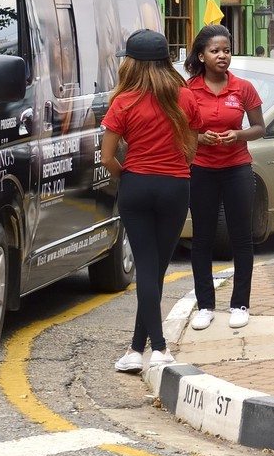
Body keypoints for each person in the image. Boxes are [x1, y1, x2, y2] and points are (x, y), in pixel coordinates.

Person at [99, 28, 197, 374]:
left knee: (147, 268)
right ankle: (159, 348)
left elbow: (107, 156)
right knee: (156, 268)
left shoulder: (123, 102)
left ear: (131, 65)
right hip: (174, 186)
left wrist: (128, 174)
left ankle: (135, 349)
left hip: (136, 185)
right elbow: (192, 147)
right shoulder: (185, 98)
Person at [183, 24, 265, 331]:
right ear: (201, 55)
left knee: (241, 236)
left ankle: (240, 304)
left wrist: (239, 134)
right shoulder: (189, 89)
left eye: (226, 51)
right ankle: (205, 305)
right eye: (215, 51)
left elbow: (260, 128)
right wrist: (198, 139)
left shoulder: (243, 88)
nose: (222, 56)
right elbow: (179, 130)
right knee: (202, 238)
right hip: (200, 169)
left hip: (237, 168)